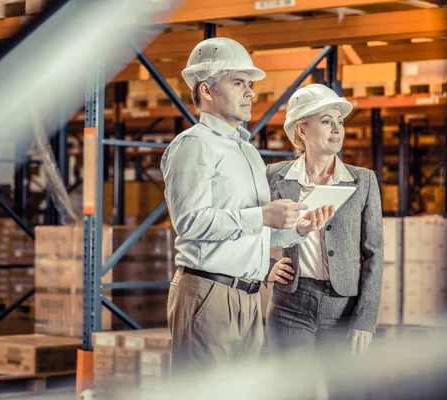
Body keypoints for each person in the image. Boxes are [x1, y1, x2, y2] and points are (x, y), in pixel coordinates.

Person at [161, 38, 334, 371]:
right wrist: (263, 215)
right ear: (207, 90)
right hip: (208, 293)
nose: (251, 92)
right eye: (238, 83)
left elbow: (254, 231)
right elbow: (191, 222)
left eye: (250, 84)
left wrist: (296, 229)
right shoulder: (193, 146)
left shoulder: (248, 152)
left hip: (250, 297)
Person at [266, 83, 384, 358]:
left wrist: (365, 320)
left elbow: (374, 254)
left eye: (340, 122)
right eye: (326, 121)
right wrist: (265, 268)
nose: (337, 129)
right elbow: (250, 231)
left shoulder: (363, 181)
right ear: (302, 129)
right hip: (289, 307)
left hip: (343, 309)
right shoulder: (274, 176)